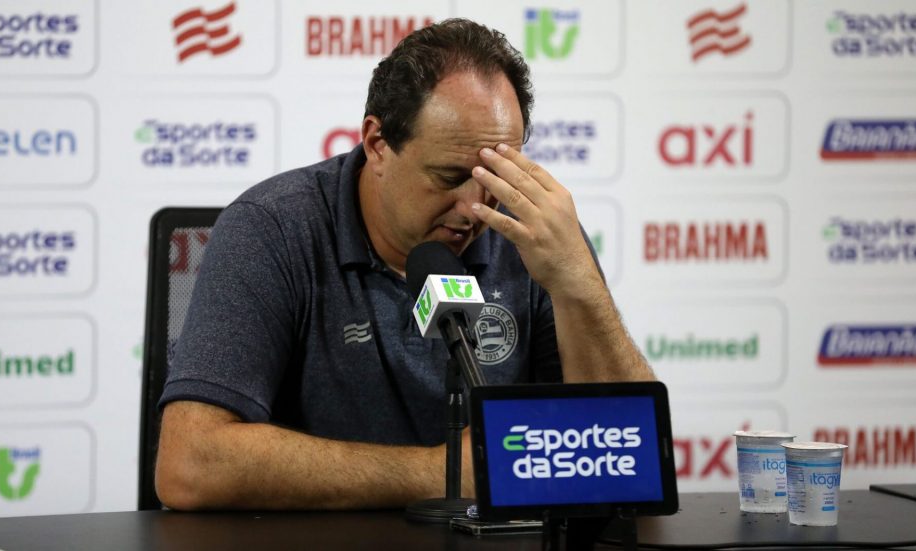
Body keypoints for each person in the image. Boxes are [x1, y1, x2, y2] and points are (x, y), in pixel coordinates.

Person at [155, 18, 654, 511]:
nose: (474, 208)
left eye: (495, 177)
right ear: (378, 144)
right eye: (450, 176)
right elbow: (190, 465)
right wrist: (446, 473)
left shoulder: (534, 233)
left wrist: (578, 286)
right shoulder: (273, 228)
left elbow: (635, 459)